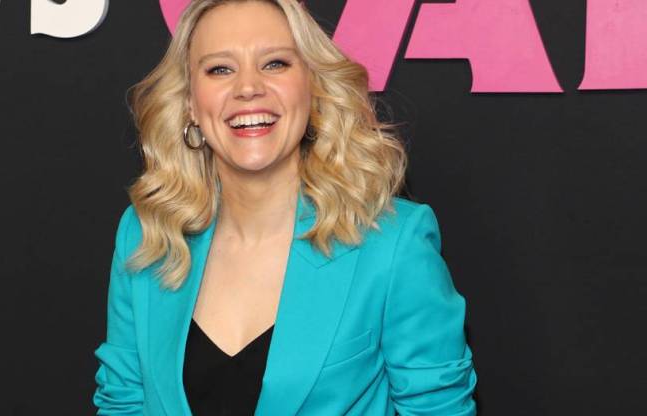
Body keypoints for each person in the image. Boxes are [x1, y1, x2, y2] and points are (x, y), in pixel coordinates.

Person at [93, 0, 478, 414]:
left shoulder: (391, 243)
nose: (248, 87)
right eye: (220, 69)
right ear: (190, 103)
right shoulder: (148, 234)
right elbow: (125, 402)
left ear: (312, 88)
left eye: (275, 63)